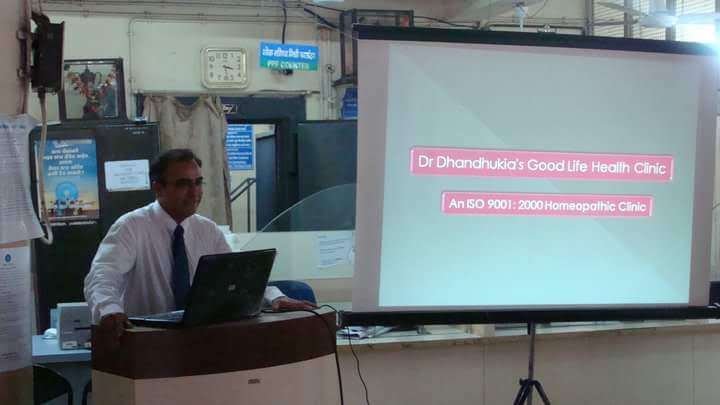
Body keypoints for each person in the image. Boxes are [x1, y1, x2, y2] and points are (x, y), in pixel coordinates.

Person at [84, 148, 315, 343]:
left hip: (200, 341)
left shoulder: (207, 230)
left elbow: (239, 278)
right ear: (158, 188)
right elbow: (102, 276)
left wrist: (275, 297)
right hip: (148, 344)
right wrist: (110, 310)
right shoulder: (131, 227)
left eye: (198, 182)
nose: (194, 192)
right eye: (183, 184)